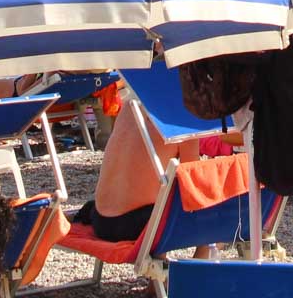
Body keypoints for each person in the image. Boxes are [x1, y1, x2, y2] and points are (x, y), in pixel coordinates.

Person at [73, 99, 204, 243]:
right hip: (140, 225)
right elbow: (192, 181)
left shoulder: (130, 103)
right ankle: (206, 252)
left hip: (100, 220)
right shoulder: (183, 114)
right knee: (204, 203)